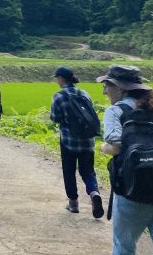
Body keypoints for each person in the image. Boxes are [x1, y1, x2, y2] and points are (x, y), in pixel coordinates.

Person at [97, 65, 153, 255]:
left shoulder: (116, 111)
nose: (104, 91)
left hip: (132, 193)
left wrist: (102, 147)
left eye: (107, 85)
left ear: (120, 88)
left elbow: (116, 146)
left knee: (123, 248)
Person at [50, 66, 104, 217]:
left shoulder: (58, 96)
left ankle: (73, 203)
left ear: (62, 79)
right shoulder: (84, 94)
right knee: (88, 170)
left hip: (69, 141)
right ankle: (94, 193)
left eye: (57, 78)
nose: (57, 81)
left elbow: (54, 118)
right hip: (88, 141)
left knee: (69, 171)